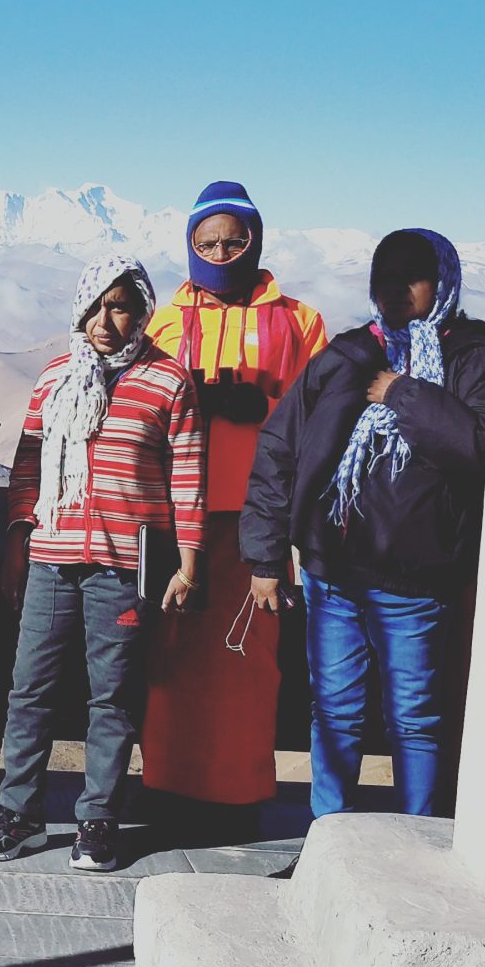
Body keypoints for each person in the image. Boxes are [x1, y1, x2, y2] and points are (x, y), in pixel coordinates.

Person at [239, 228, 485, 820]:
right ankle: (329, 843)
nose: (397, 289)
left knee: (414, 720)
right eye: (386, 276)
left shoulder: (470, 361)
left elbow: (480, 446)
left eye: (413, 275)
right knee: (333, 714)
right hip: (334, 577)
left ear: (443, 282)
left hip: (417, 583)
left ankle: (417, 850)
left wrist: (402, 393)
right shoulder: (347, 356)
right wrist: (265, 555)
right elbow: (280, 448)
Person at [0, 257, 204, 872]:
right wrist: (19, 546)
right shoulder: (54, 379)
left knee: (114, 698)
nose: (106, 320)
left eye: (121, 305)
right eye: (96, 306)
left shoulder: (168, 382)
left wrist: (188, 564)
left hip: (125, 567)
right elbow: (27, 467)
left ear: (141, 311)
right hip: (50, 557)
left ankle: (98, 819)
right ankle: (18, 813)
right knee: (30, 690)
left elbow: (187, 477)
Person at [137, 181, 329, 810]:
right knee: (171, 662)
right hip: (175, 517)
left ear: (256, 242)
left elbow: (323, 415)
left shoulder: (298, 320)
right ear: (190, 245)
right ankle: (166, 788)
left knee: (247, 662)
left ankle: (239, 795)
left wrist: (265, 405)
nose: (221, 253)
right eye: (207, 242)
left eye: (234, 241)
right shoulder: (163, 320)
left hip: (257, 519)